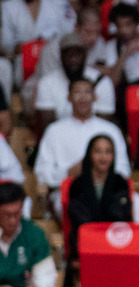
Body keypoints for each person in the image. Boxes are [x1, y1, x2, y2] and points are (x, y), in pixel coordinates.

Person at [34, 79, 131, 218]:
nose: (83, 98)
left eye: (87, 92)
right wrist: (68, 172)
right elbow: (42, 172)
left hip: (108, 189)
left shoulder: (111, 130)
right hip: (69, 190)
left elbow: (124, 169)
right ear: (68, 97)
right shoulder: (54, 131)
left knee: (138, 204)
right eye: (77, 92)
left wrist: (100, 171)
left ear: (95, 97)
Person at [66, 134, 133, 259]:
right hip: (86, 242)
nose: (103, 157)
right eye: (98, 151)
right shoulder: (77, 184)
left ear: (113, 156)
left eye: (108, 152)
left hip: (114, 243)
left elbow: (122, 216)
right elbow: (78, 217)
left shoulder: (120, 183)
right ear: (90, 155)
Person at [35, 33, 117, 133]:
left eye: (77, 54)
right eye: (68, 54)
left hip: (95, 142)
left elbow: (103, 127)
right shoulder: (47, 83)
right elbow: (48, 128)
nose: (73, 59)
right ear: (61, 56)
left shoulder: (102, 82)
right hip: (60, 141)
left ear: (85, 54)